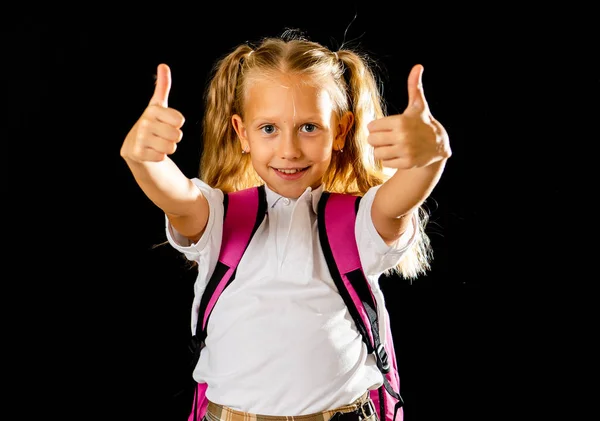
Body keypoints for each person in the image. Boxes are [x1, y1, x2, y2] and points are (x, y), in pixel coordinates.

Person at [120, 29, 451, 421]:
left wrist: (429, 161)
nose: (289, 150)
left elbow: (399, 203)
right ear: (242, 134)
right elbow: (176, 197)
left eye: (309, 127)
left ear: (341, 131)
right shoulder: (220, 218)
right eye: (268, 129)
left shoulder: (359, 221)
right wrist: (144, 160)